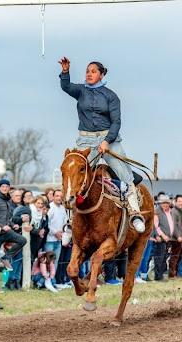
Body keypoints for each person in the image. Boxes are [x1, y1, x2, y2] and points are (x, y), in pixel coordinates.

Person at [59, 57, 145, 233]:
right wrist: (65, 72)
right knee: (74, 173)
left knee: (124, 174)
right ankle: (70, 221)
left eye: (93, 71)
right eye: (87, 71)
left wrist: (107, 141)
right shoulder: (80, 91)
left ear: (101, 74)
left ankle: (135, 213)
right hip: (85, 141)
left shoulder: (111, 96)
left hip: (109, 139)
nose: (89, 74)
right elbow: (66, 87)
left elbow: (116, 122)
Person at [0, 179, 26, 291]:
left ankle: (6, 258)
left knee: (22, 240)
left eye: (7, 186)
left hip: (7, 231)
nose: (5, 188)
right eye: (3, 186)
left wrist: (12, 224)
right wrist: (1, 225)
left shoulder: (8, 200)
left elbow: (7, 217)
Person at [152, 194, 176, 281]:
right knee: (159, 257)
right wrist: (162, 235)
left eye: (167, 203)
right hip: (161, 239)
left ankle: (161, 274)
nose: (165, 204)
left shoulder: (170, 211)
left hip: (169, 239)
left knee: (165, 258)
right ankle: (158, 276)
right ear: (160, 204)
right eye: (163, 203)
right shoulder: (157, 212)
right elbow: (156, 226)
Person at [46, 190, 68, 273]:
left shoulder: (62, 208)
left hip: (59, 240)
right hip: (49, 239)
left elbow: (65, 222)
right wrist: (55, 232)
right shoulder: (50, 207)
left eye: (61, 196)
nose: (59, 198)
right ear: (53, 197)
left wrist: (63, 232)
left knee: (55, 262)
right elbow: (46, 223)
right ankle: (44, 281)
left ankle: (52, 280)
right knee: (48, 261)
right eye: (57, 196)